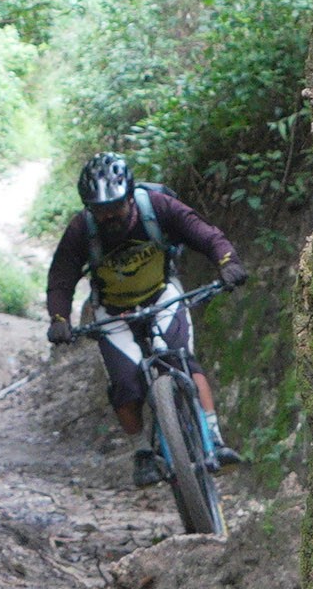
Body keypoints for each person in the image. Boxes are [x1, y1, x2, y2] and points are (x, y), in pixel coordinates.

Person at [39, 151, 238, 458]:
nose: (109, 216)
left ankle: (214, 438)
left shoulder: (157, 206)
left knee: (182, 359)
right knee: (125, 386)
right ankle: (142, 453)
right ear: (89, 208)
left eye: (116, 206)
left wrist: (227, 262)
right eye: (99, 210)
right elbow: (62, 277)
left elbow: (204, 234)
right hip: (113, 311)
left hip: (162, 295)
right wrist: (59, 318)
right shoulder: (82, 230)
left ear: (130, 197)